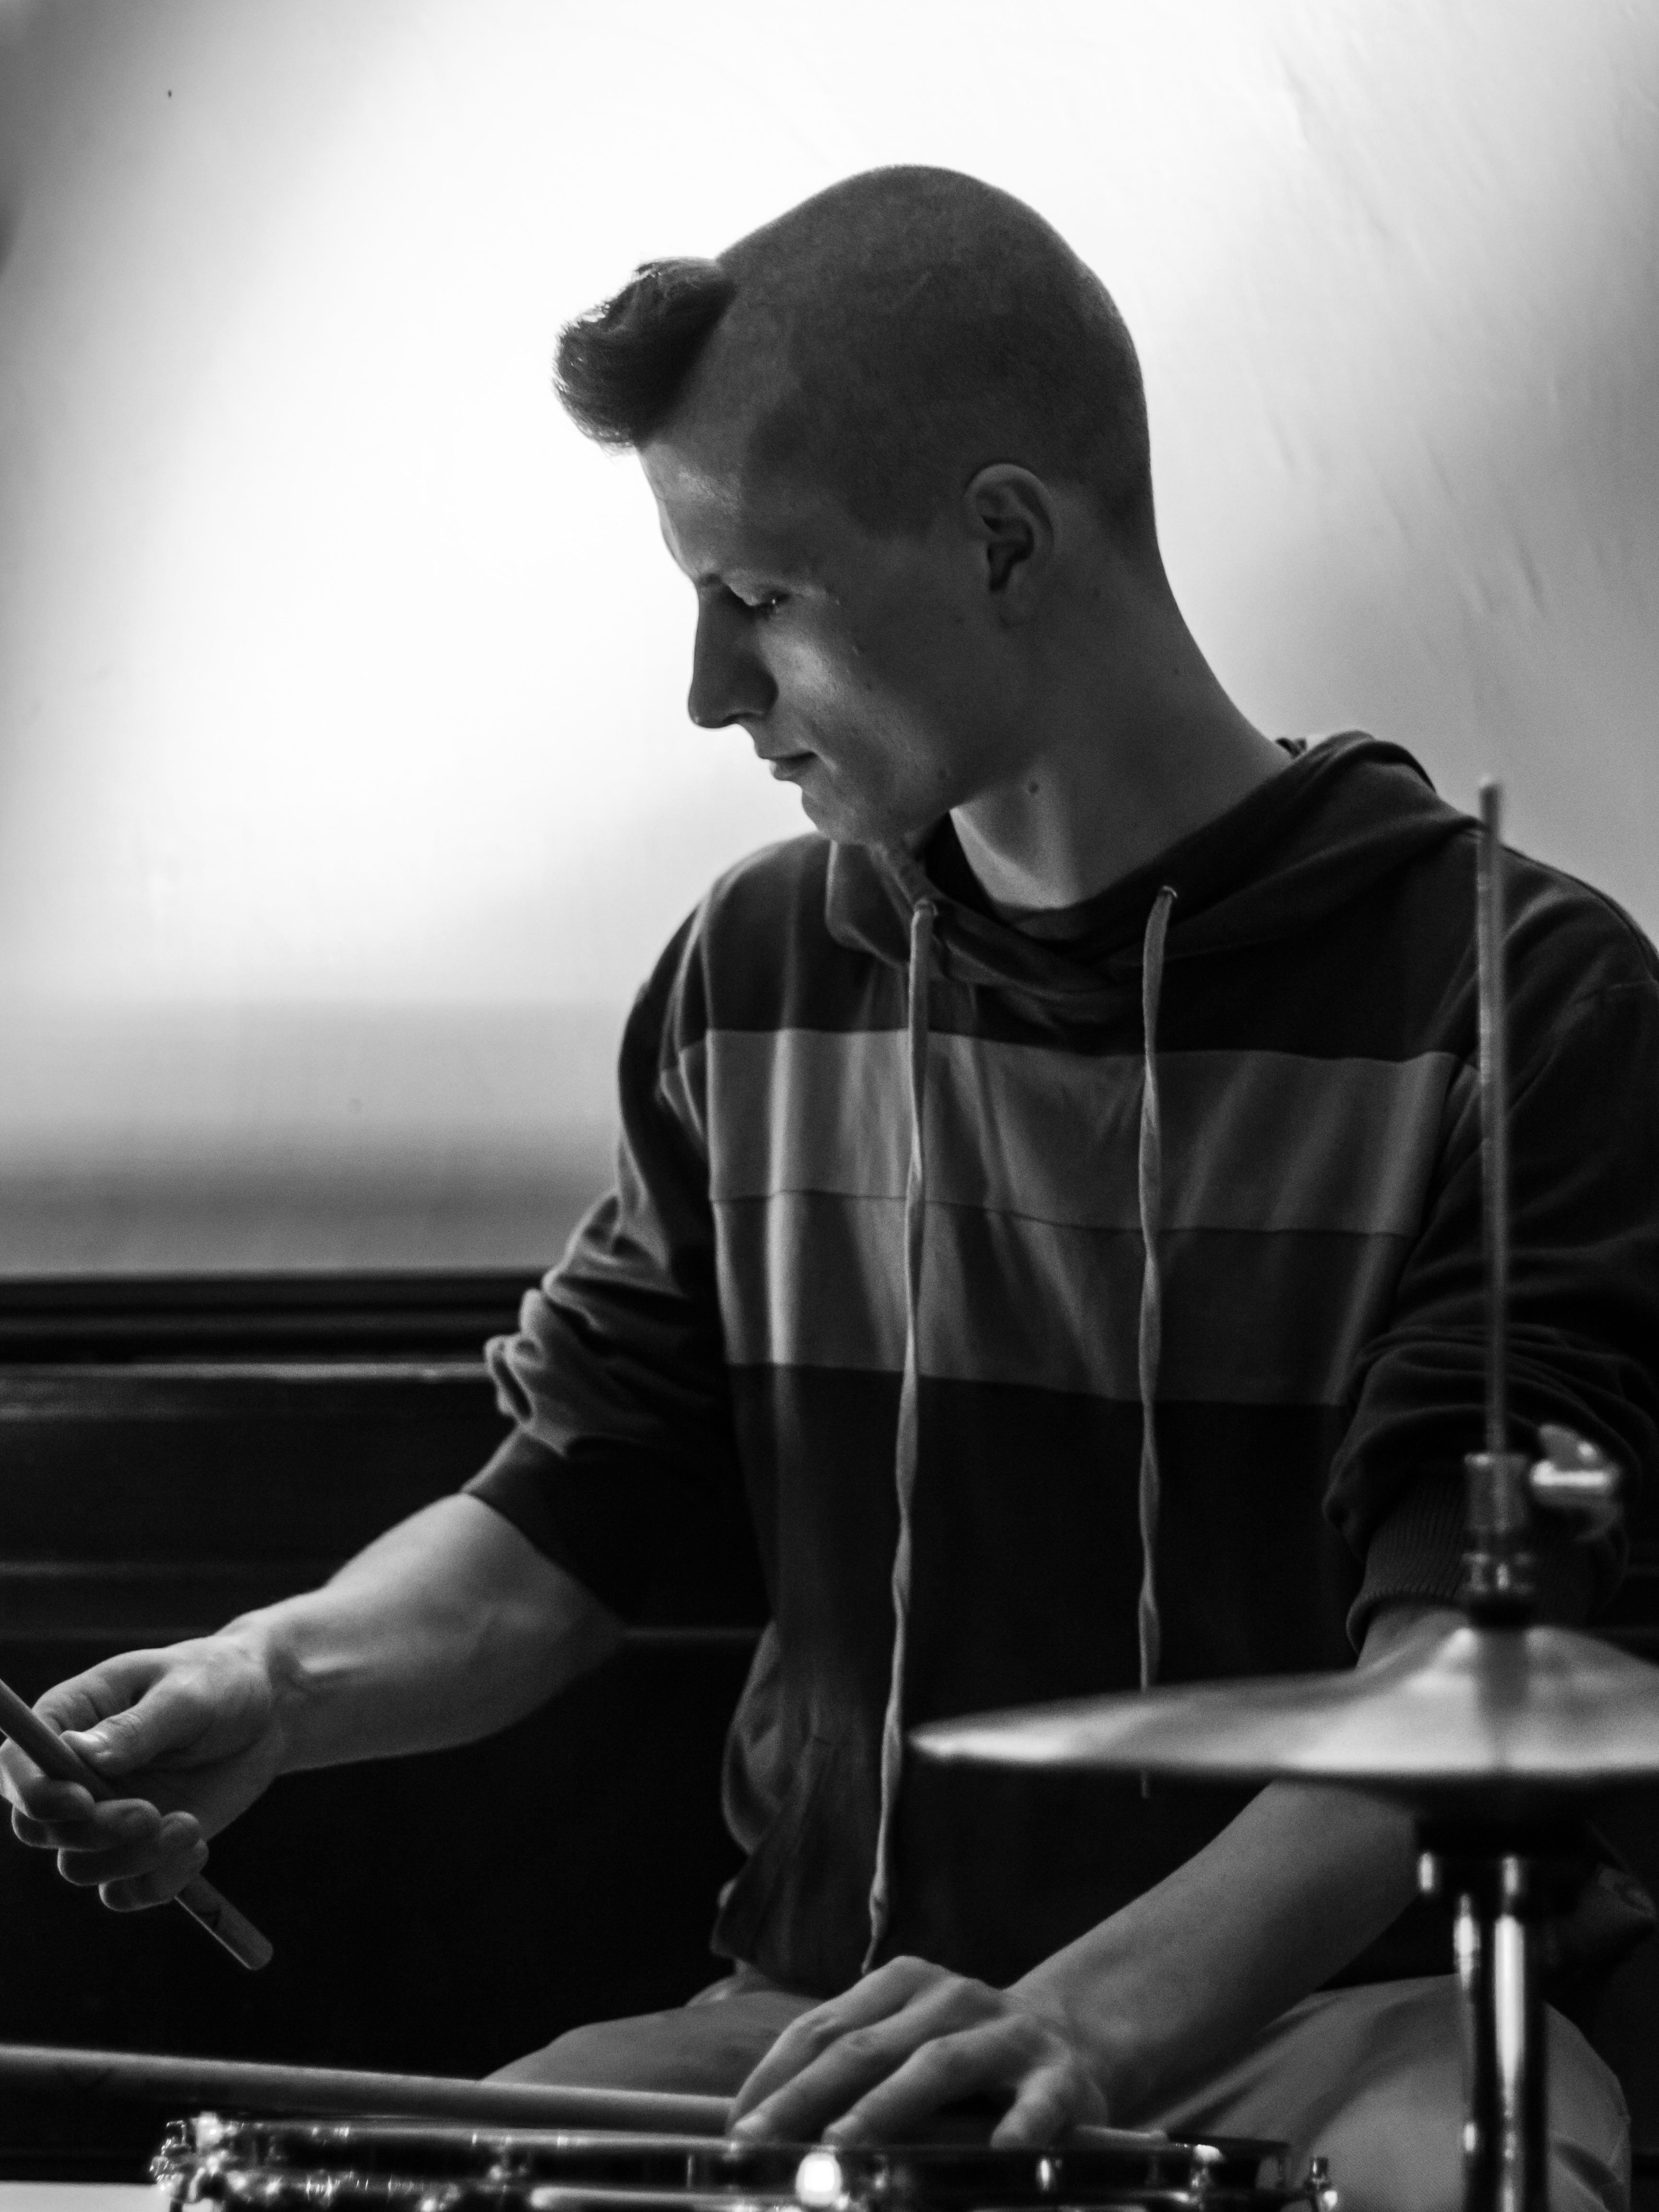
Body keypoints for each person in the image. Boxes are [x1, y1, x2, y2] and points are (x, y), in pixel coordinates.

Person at [3, 168, 1656, 2212]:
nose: (709, 690)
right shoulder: (757, 972)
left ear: (1003, 540)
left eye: (762, 598)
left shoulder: (1522, 1003)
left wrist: (1081, 2021)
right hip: (818, 2028)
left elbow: (1467, 1698)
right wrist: (270, 1681)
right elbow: (562, 1528)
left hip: (1359, 2024)